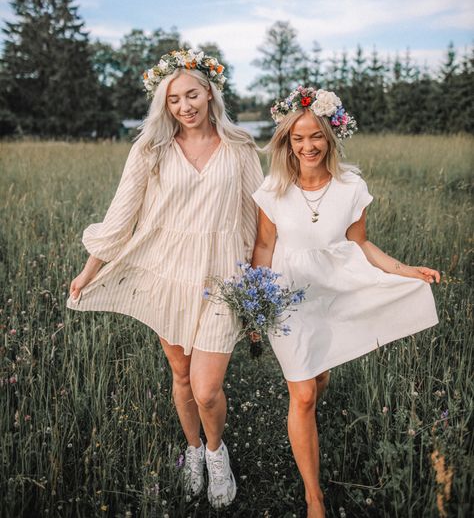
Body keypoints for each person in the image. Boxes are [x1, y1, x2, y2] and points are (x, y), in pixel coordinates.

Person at [67, 49, 263, 509]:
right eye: (173, 100)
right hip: (166, 272)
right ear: (164, 104)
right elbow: (122, 216)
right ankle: (193, 448)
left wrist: (255, 282)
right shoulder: (150, 149)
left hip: (224, 276)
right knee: (180, 373)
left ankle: (217, 454)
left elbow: (257, 216)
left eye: (191, 94)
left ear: (210, 91)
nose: (184, 106)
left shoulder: (240, 145)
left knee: (206, 387)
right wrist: (89, 269)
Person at [251, 86, 439, 518]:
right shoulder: (273, 188)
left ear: (331, 136)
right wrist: (257, 305)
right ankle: (313, 495)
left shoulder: (351, 186)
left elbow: (362, 245)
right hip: (287, 291)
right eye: (298, 138)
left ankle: (320, 377)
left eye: (315, 136)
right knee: (301, 393)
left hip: (336, 287)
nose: (308, 146)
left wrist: (406, 270)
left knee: (317, 382)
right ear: (287, 141)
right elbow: (263, 247)